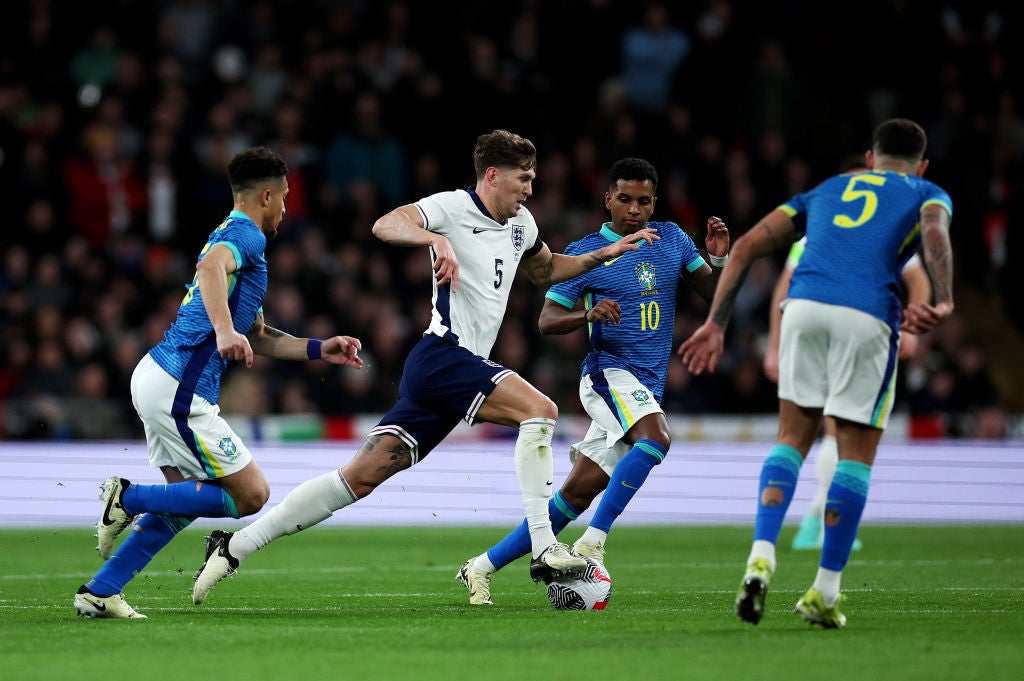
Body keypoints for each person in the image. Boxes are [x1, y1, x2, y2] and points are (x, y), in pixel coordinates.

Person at [191, 130, 659, 605]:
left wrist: (603, 254)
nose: (530, 189)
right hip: (443, 356)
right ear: (492, 176)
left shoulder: (522, 224)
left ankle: (236, 544)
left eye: (533, 179)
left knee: (358, 478)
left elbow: (545, 270)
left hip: (450, 372)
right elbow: (385, 225)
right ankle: (544, 546)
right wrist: (434, 238)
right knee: (539, 410)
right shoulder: (453, 207)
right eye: (523, 178)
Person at [679, 118, 954, 628]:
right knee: (855, 450)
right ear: (921, 165)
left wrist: (716, 324)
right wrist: (945, 297)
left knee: (791, 438)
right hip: (868, 313)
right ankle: (825, 591)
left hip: (800, 308)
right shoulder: (926, 191)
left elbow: (743, 249)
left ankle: (761, 554)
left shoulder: (825, 190)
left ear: (869, 160)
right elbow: (934, 232)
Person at [73, 147, 365, 619]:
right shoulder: (245, 234)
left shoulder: (236, 238)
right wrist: (225, 331)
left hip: (160, 378)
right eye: (285, 197)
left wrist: (319, 348)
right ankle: (126, 497)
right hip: (178, 385)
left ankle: (100, 591)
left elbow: (261, 336)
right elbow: (211, 270)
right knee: (251, 495)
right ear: (266, 196)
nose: (288, 208)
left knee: (182, 500)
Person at [457, 157, 729, 605]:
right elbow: (546, 319)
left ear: (654, 202)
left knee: (574, 496)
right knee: (657, 438)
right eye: (624, 199)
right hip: (608, 374)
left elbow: (714, 297)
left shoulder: (674, 241)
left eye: (644, 201)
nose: (634, 209)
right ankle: (593, 541)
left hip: (646, 386)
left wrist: (717, 257)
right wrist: (587, 313)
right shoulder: (589, 251)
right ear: (608, 199)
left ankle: (481, 567)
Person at [765, 233, 932, 551]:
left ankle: (816, 518)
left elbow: (782, 290)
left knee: (835, 429)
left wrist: (911, 326)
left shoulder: (823, 227)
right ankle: (830, 522)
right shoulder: (885, 227)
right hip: (857, 330)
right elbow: (918, 279)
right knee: (842, 428)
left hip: (840, 331)